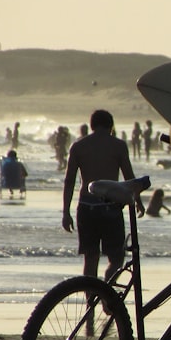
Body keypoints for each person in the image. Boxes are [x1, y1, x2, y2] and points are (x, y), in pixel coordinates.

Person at [62, 109, 142, 281]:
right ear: (111, 125)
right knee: (116, 258)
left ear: (92, 125)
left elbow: (69, 181)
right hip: (110, 207)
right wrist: (138, 200)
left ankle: (91, 302)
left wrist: (65, 212)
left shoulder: (78, 146)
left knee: (90, 258)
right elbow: (129, 176)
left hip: (86, 206)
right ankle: (107, 293)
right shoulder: (118, 145)